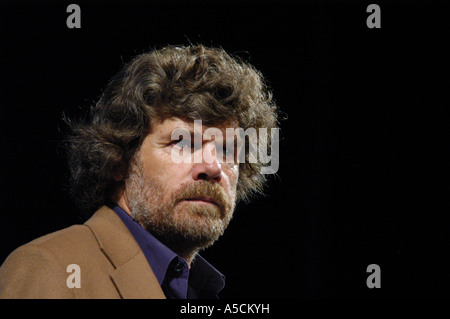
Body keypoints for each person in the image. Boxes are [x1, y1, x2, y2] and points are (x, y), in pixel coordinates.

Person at [0, 44, 278, 299]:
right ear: (120, 160)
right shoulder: (51, 268)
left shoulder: (200, 291)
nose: (213, 167)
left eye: (228, 151)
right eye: (182, 143)